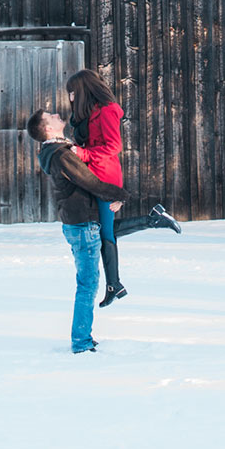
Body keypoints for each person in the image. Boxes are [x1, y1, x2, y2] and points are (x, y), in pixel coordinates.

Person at [66, 68, 181, 307]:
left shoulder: (107, 111)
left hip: (105, 178)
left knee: (104, 233)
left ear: (83, 91)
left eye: (72, 92)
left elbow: (113, 146)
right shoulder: (88, 113)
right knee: (100, 231)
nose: (70, 97)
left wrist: (83, 153)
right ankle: (115, 282)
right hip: (92, 176)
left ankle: (115, 282)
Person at [26, 108, 127, 354]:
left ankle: (83, 337)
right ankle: (81, 341)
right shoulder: (60, 155)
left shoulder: (57, 151)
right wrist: (120, 194)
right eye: (51, 116)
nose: (57, 115)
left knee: (88, 282)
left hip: (80, 223)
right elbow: (88, 181)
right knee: (88, 284)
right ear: (48, 128)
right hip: (82, 224)